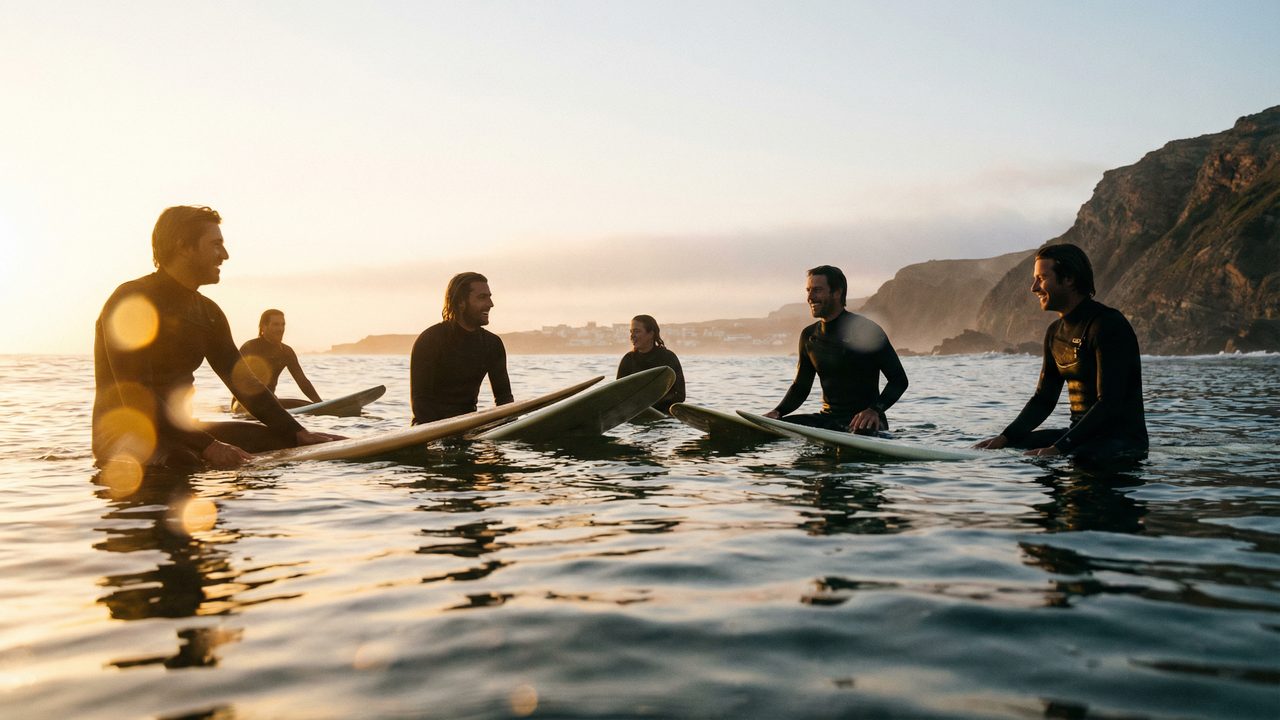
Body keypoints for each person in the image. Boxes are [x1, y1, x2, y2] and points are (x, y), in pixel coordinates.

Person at [93, 206, 341, 470]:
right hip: (124, 435)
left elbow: (245, 384)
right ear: (184, 247)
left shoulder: (208, 313)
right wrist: (208, 445)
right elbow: (136, 397)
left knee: (284, 441)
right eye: (215, 245)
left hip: (183, 431)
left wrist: (298, 432)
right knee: (182, 460)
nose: (225, 255)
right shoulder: (132, 301)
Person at [975, 244, 1148, 461]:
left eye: (1042, 278)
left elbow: (1110, 403)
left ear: (1069, 279)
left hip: (1121, 442)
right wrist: (1004, 438)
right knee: (1009, 449)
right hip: (1079, 437)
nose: (1034, 288)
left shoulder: (1107, 325)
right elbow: (1044, 399)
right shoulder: (1054, 333)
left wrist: (1059, 449)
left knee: (1040, 459)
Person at [765, 265, 908, 434]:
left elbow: (899, 380)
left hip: (864, 423)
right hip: (828, 421)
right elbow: (801, 387)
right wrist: (778, 411)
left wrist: (874, 410)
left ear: (837, 292)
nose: (810, 297)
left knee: (858, 433)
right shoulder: (809, 336)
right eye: (808, 290)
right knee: (769, 429)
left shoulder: (865, 330)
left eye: (817, 290)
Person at [410, 272, 513, 424]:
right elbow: (420, 403)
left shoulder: (492, 344)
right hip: (429, 433)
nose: (490, 304)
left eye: (489, 297)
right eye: (482, 297)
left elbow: (504, 399)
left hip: (468, 429)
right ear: (460, 302)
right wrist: (441, 436)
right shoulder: (430, 340)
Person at [233, 309, 323, 411]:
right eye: (276, 325)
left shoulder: (286, 352)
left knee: (308, 406)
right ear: (263, 327)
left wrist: (321, 405)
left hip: (271, 403)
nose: (281, 329)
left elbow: (302, 381)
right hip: (242, 403)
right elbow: (236, 380)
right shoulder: (250, 347)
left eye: (283, 325)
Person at [616, 314, 686, 413]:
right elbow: (619, 394)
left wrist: (650, 404)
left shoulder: (668, 358)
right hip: (636, 415)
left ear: (651, 334)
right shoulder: (628, 360)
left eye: (637, 331)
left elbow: (680, 395)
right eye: (631, 332)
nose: (632, 336)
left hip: (664, 417)